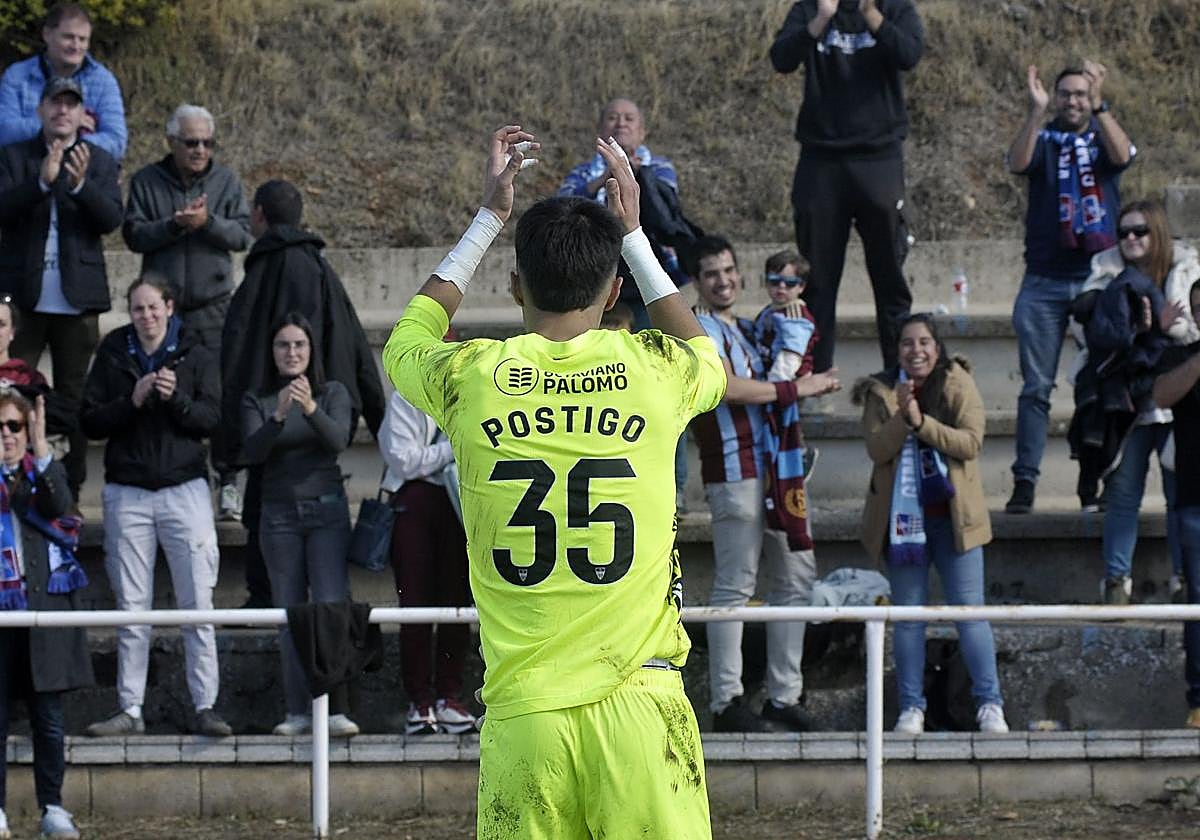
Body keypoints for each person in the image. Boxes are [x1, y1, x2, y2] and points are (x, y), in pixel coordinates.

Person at [384, 125, 725, 839]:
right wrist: (632, 233)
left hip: (525, 719)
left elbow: (407, 339)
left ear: (514, 287)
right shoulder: (654, 372)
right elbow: (704, 349)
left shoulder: (473, 377)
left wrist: (488, 217)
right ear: (611, 293)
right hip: (641, 711)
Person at [689, 236, 838, 733]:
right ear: (697, 281)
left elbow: (788, 359)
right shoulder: (698, 328)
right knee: (736, 584)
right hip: (734, 469)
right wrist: (799, 387)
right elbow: (728, 388)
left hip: (779, 468)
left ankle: (783, 694)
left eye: (729, 270)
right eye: (712, 273)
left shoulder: (751, 325)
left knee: (795, 580)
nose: (724, 280)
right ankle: (726, 700)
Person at [80, 275, 232, 738]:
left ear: (169, 307)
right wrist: (133, 399)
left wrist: (175, 399)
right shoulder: (113, 351)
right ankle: (130, 708)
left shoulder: (196, 352)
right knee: (132, 607)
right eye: (138, 309)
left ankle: (206, 705)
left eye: (153, 308)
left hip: (184, 489)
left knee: (197, 604)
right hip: (128, 490)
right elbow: (89, 420)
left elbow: (211, 419)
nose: (146, 317)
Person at [221, 179, 385, 608]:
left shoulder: (260, 274)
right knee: (330, 594)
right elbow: (355, 344)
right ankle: (328, 658)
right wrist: (378, 418)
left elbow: (236, 352)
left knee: (263, 509)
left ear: (258, 215)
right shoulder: (321, 270)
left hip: (278, 417)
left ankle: (265, 600)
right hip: (325, 415)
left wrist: (227, 443)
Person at [853, 313, 1008, 735]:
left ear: (936, 348)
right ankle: (911, 709)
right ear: (897, 349)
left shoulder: (958, 381)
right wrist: (903, 417)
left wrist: (924, 423)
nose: (916, 350)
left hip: (957, 523)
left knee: (969, 613)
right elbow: (876, 449)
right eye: (907, 342)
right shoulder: (880, 391)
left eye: (924, 342)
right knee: (908, 618)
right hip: (904, 528)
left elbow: (971, 443)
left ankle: (990, 704)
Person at [1004, 60, 1136, 514]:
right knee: (1035, 388)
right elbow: (1017, 163)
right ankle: (1025, 482)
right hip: (1042, 279)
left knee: (1098, 385)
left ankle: (1091, 480)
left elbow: (1122, 156)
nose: (1074, 101)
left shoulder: (1102, 133)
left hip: (1096, 277)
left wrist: (1102, 106)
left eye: (1081, 94)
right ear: (1055, 96)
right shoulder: (1042, 139)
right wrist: (1035, 111)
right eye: (1067, 94)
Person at [769, 0, 924, 375]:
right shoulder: (811, 8)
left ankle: (897, 375)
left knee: (889, 277)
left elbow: (909, 54)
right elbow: (782, 58)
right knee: (818, 278)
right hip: (821, 160)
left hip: (879, 158)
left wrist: (872, 15)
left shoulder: (894, 7)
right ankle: (818, 374)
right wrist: (821, 19)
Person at [123, 103, 253, 520]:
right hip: (164, 313)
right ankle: (169, 473)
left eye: (207, 142)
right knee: (161, 389)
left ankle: (228, 481)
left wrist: (206, 222)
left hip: (214, 308)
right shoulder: (146, 181)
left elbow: (241, 235)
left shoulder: (227, 180)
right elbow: (133, 234)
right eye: (191, 142)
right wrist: (174, 225)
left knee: (220, 394)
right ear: (172, 142)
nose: (200, 149)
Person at [0, 75, 122, 506]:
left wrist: (78, 185)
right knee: (10, 389)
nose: (62, 111)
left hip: (77, 298)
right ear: (41, 110)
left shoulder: (100, 160)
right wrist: (39, 182)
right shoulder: (15, 156)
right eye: (55, 103)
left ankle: (66, 490)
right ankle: (10, 481)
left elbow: (111, 219)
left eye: (71, 104)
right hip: (24, 298)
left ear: (83, 114)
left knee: (73, 399)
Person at [240, 312, 359, 738]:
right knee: (289, 614)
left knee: (330, 607)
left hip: (326, 513)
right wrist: (278, 416)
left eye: (299, 346)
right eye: (283, 346)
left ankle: (336, 708)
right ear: (272, 353)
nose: (291, 353)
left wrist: (308, 408)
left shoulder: (331, 393)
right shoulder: (258, 399)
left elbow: (338, 439)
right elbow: (250, 452)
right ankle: (297, 711)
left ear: (311, 351)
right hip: (278, 517)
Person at [1073, 200, 1193, 604]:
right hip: (1126, 404)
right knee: (1124, 494)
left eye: (1139, 231)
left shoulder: (1188, 270)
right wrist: (1148, 330)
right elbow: (1091, 333)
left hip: (1179, 401)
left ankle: (1185, 580)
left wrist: (1161, 331)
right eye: (1123, 232)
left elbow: (1192, 334)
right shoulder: (1103, 274)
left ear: (1157, 231)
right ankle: (1116, 584)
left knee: (1181, 496)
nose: (1130, 239)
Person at [0, 391, 90, 839]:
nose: (6, 436)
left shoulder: (44, 473)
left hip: (42, 609)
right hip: (0, 615)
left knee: (48, 720)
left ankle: (52, 806)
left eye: (14, 426)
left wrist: (40, 447)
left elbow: (60, 507)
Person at [378, 387, 476, 735]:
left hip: (459, 501)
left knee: (457, 603)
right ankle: (419, 701)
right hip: (415, 504)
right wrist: (452, 448)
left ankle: (449, 697)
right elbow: (402, 460)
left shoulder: (471, 392)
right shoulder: (406, 397)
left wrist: (434, 454)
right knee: (415, 603)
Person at [559, 97, 693, 330]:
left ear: (642, 132)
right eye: (612, 118)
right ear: (600, 130)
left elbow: (665, 213)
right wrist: (604, 178)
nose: (621, 124)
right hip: (597, 274)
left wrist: (636, 174)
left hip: (648, 270)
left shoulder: (660, 168)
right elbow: (562, 209)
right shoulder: (582, 174)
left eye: (629, 119)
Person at [1151, 280, 1200, 727]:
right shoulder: (1182, 358)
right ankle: (1199, 700)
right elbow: (1161, 396)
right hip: (1194, 502)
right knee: (1198, 601)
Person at [0, 3, 127, 161]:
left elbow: (116, 143)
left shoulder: (104, 81)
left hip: (82, 173)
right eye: (68, 37)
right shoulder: (17, 76)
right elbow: (4, 133)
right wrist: (65, 126)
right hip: (24, 174)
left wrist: (67, 140)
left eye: (82, 39)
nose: (76, 46)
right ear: (47, 34)